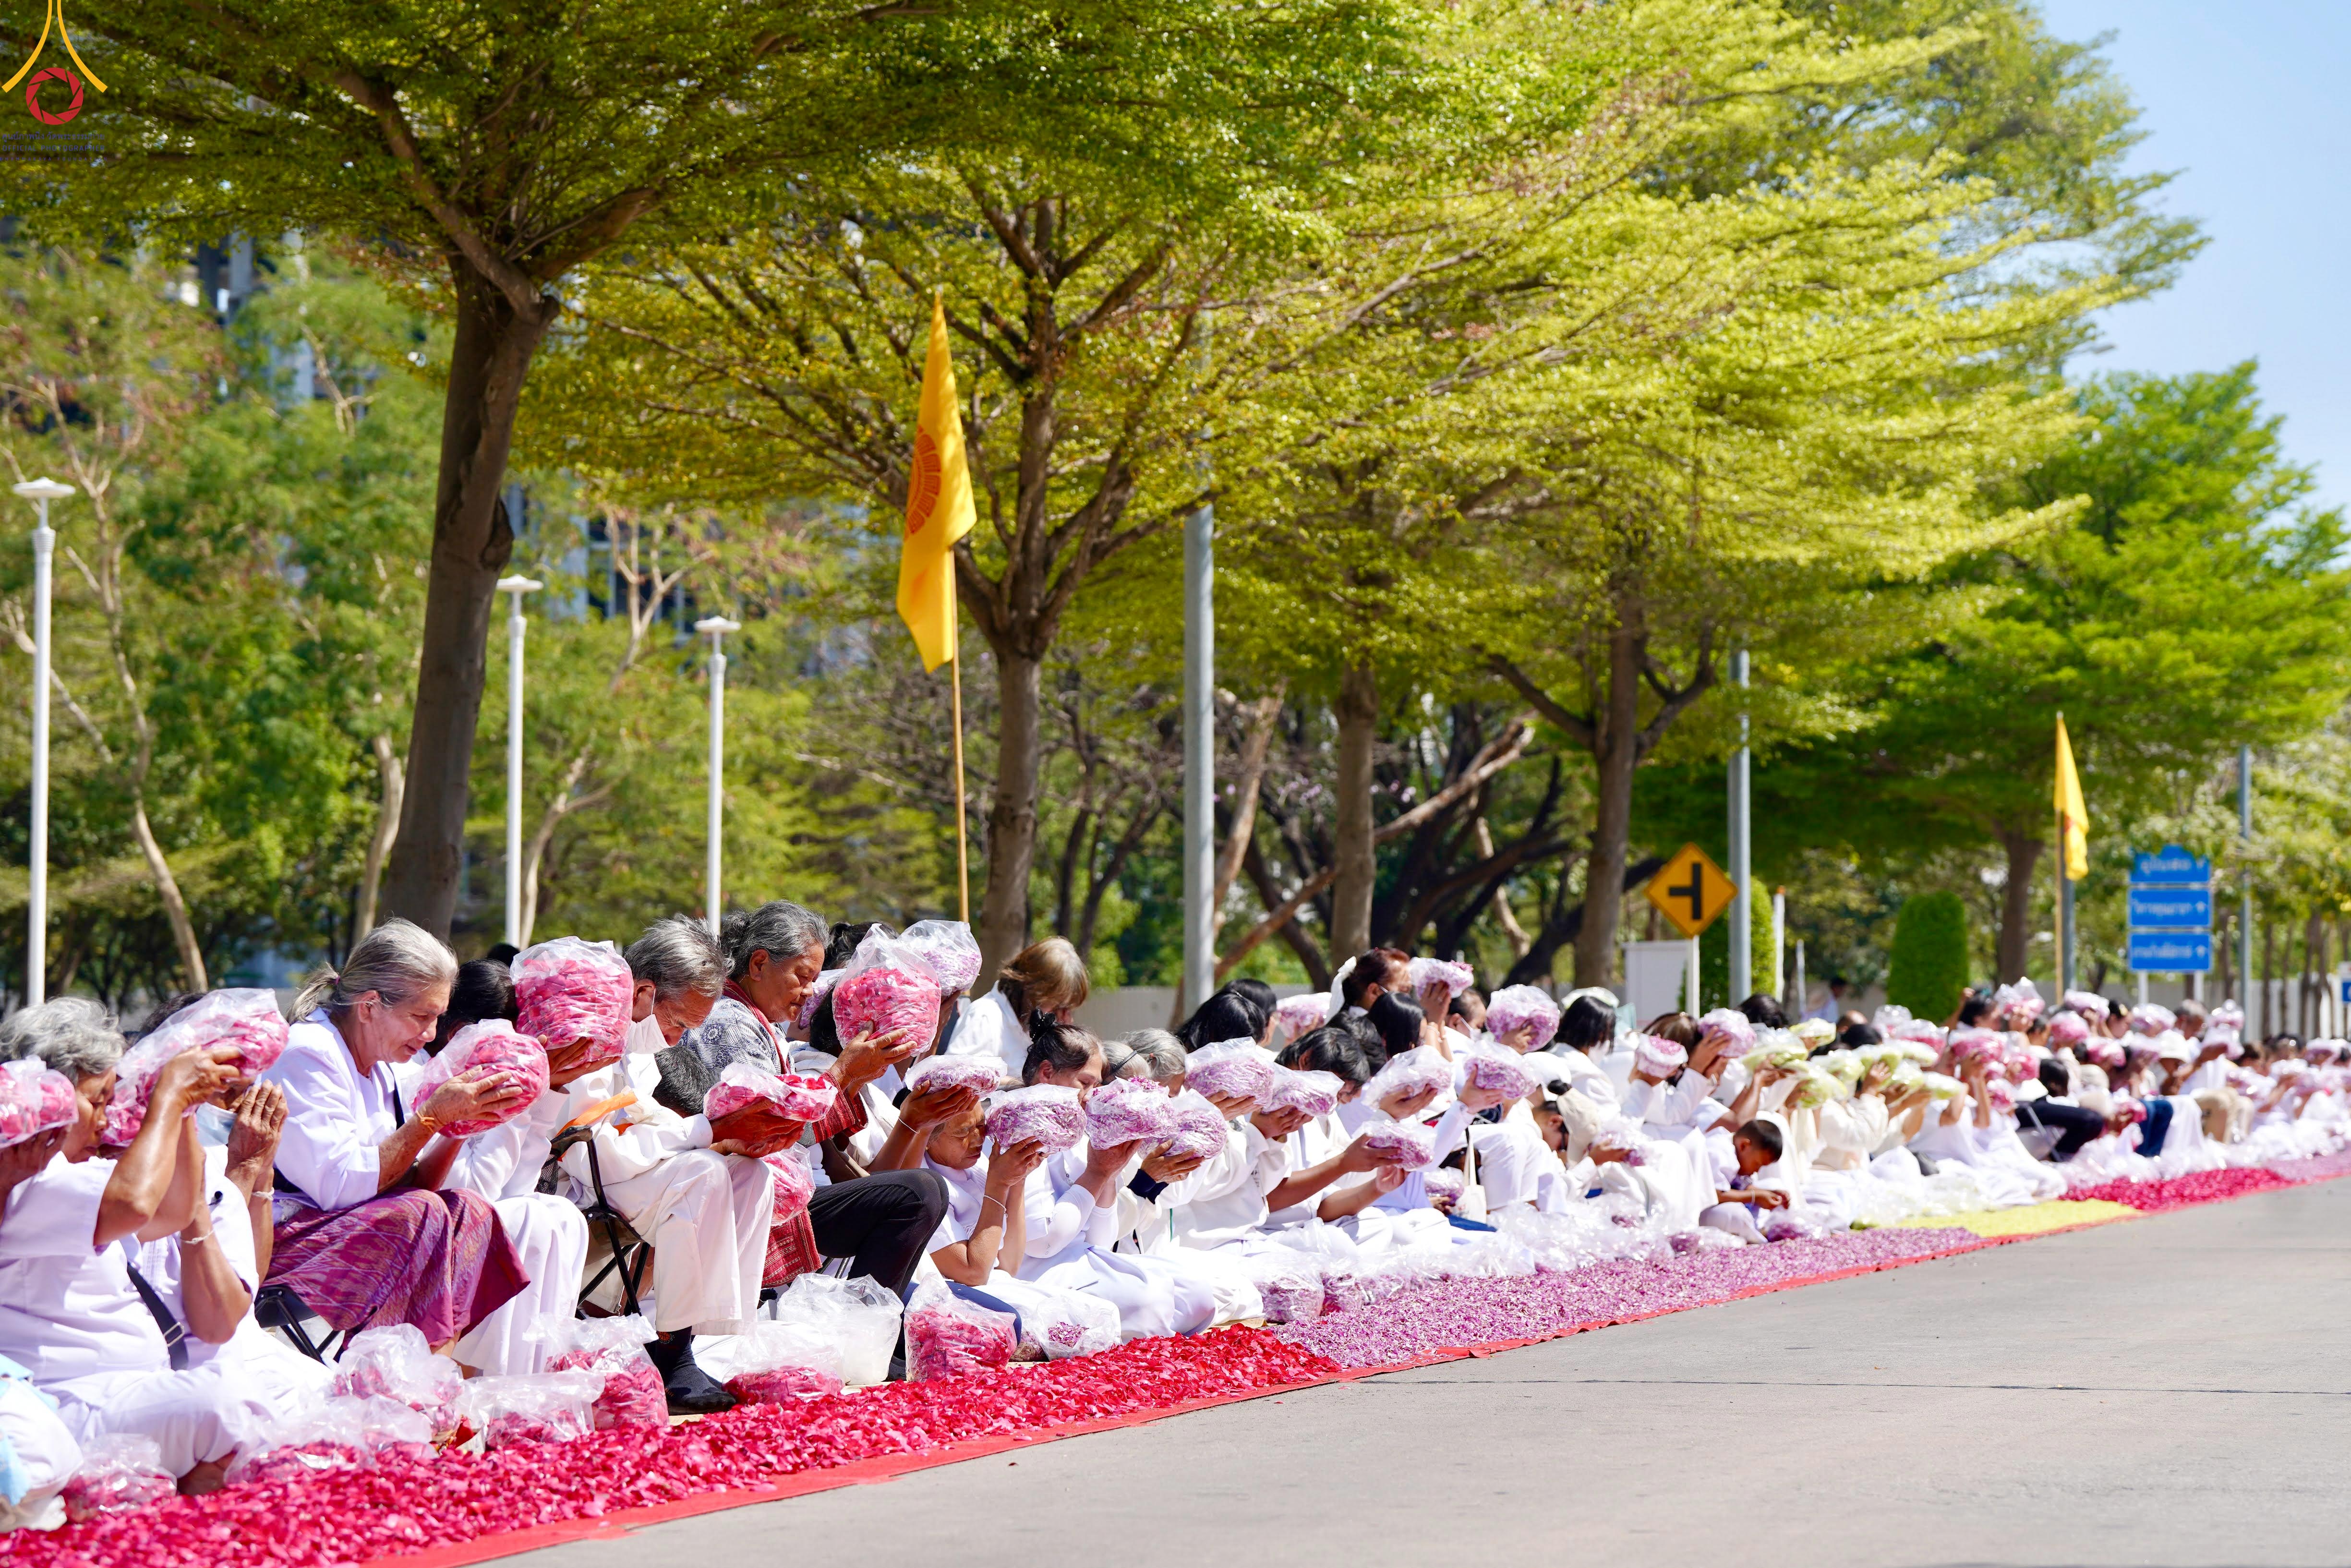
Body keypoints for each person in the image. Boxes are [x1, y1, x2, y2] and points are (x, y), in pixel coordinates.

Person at [263, 920, 555, 1368]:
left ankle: (429, 1371)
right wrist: (431, 1117)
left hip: (353, 1227)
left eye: (437, 1017)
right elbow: (338, 1188)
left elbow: (414, 1181)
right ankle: (392, 1376)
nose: (431, 1034)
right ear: (368, 1007)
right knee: (424, 1213)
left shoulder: (383, 1065)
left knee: (468, 1210)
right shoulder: (308, 1053)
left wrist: (459, 1127)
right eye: (421, 1017)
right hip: (283, 1240)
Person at [0, 998, 264, 1490]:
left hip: (127, 1390)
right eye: (95, 1100)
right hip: (70, 1402)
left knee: (248, 1404)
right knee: (228, 1407)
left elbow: (175, 1208)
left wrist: (184, 1105)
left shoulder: (65, 1171)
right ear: (51, 1094)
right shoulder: (20, 1177)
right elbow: (136, 1203)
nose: (104, 1119)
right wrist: (166, 1098)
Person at [425, 958, 596, 1375]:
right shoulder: (426, 1080)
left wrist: (544, 1090)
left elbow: (518, 1183)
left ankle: (529, 1373)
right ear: (461, 1036)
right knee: (530, 1218)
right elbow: (475, 1193)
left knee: (560, 1214)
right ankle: (489, 1378)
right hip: (423, 1222)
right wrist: (518, 1106)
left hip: (468, 1215)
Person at [945, 938, 1092, 1079]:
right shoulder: (986, 1015)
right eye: (1057, 1005)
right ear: (1034, 989)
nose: (1064, 1017)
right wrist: (1027, 1084)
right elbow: (959, 1078)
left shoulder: (1030, 1025)